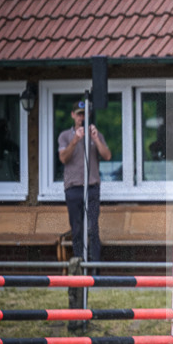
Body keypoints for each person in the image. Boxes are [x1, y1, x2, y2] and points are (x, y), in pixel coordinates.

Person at [58, 102, 112, 262]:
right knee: (76, 229)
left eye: (84, 114)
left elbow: (107, 156)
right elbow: (63, 158)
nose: (82, 117)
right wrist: (75, 140)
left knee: (93, 228)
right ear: (73, 115)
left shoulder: (96, 134)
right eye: (79, 114)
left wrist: (96, 139)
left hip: (92, 187)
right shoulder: (65, 136)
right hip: (73, 188)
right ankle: (79, 268)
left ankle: (95, 269)